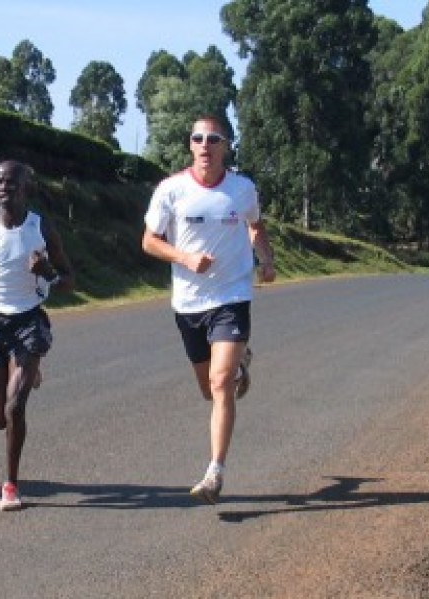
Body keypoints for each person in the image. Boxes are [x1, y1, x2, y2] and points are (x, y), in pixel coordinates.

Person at [142, 116, 276, 505]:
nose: (204, 144)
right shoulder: (171, 190)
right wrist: (184, 257)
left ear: (225, 146)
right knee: (208, 389)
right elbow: (149, 241)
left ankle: (215, 471)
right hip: (188, 303)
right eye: (197, 138)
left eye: (212, 138)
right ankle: (240, 363)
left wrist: (266, 260)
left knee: (220, 384)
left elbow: (256, 226)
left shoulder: (242, 188)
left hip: (232, 297)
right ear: (190, 146)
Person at [0, 160, 74, 511]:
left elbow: (70, 281)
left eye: (11, 182)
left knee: (15, 406)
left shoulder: (42, 229)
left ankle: (10, 485)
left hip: (28, 323)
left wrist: (48, 271)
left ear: (27, 189)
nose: (3, 188)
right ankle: (29, 370)